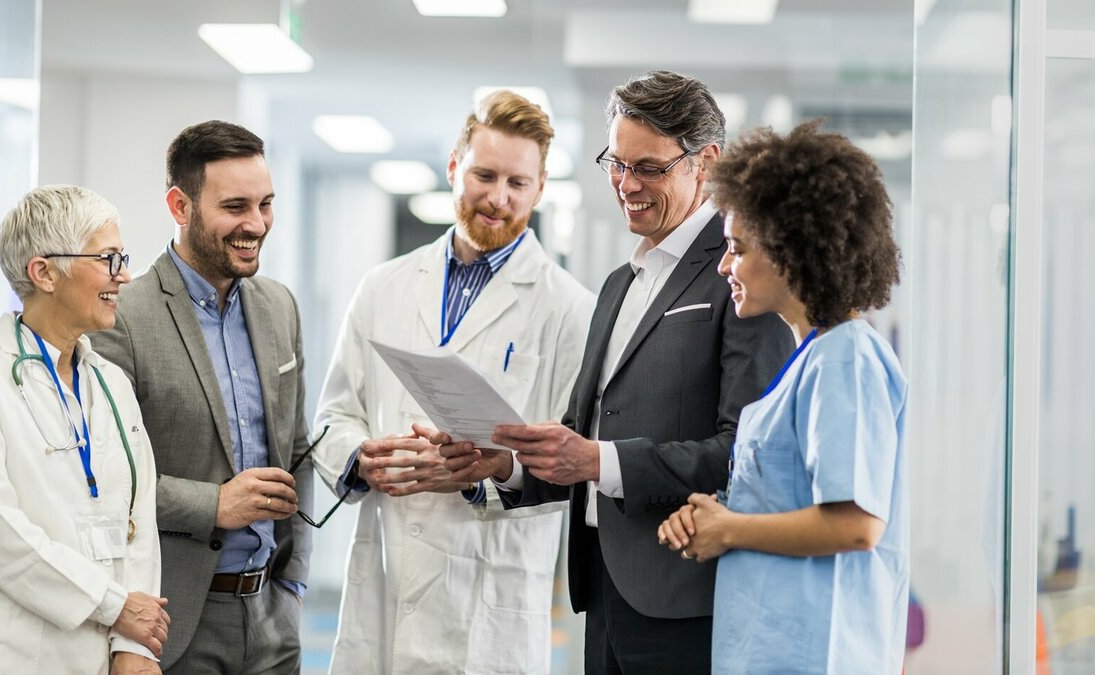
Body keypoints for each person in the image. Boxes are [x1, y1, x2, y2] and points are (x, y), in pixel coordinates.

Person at [440, 71, 792, 673]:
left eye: (649, 168)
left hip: (688, 602)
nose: (627, 185)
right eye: (616, 163)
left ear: (704, 161)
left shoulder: (739, 277)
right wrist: (513, 467)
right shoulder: (617, 285)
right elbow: (584, 436)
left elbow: (743, 454)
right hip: (603, 591)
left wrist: (600, 460)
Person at [310, 90, 594, 674]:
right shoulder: (383, 287)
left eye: (518, 183)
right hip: (387, 566)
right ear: (453, 167)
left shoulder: (570, 310)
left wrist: (494, 466)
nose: (498, 197)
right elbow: (333, 415)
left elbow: (572, 467)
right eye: (484, 175)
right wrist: (362, 459)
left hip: (490, 589)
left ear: (539, 190)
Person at [656, 122, 909, 675]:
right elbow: (788, 498)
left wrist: (731, 530)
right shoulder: (809, 359)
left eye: (737, 250)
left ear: (792, 252)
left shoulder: (847, 358)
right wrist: (717, 516)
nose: (725, 266)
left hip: (819, 655)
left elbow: (856, 525)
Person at [91, 121, 312, 674]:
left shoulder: (279, 307)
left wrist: (294, 583)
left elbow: (299, 449)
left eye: (265, 204)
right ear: (180, 205)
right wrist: (215, 506)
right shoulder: (123, 317)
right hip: (175, 619)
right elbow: (102, 479)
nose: (256, 224)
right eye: (235, 206)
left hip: (272, 617)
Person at [0, 185, 168, 674]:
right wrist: (112, 605)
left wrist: (134, 646)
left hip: (113, 651)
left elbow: (140, 519)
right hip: (23, 654)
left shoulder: (110, 384)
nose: (125, 276)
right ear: (44, 272)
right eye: (108, 259)